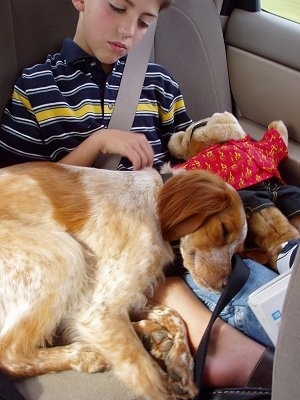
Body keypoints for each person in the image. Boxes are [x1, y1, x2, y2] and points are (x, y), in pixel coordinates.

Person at [0, 0, 274, 389]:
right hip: (101, 244)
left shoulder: (158, 81)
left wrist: (219, 144)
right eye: (116, 8)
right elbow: (18, 182)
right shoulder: (38, 86)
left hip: (175, 218)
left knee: (268, 299)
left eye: (145, 23)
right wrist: (97, 143)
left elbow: (186, 153)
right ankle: (227, 353)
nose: (129, 31)